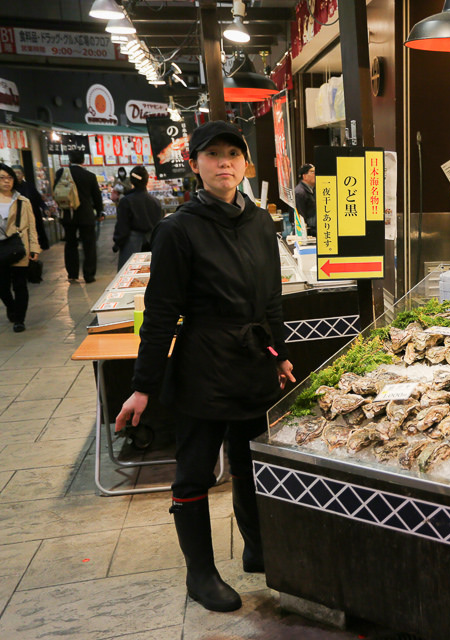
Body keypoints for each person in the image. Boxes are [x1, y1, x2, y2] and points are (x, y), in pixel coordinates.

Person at [115, 121, 296, 613]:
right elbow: (160, 314)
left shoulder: (261, 222)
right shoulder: (177, 229)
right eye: (212, 154)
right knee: (194, 474)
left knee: (251, 463)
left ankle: (257, 548)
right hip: (201, 366)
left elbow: (272, 302)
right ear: (195, 164)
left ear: (244, 164)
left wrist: (278, 355)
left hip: (253, 364)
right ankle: (201, 573)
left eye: (232, 154)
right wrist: (142, 386)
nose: (224, 163)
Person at [0, 163, 42, 332]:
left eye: (9, 177)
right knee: (2, 287)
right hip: (0, 250)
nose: (6, 181)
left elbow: (32, 227)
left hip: (19, 248)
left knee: (20, 285)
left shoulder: (23, 201)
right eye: (2, 178)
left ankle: (19, 319)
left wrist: (35, 248)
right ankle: (11, 306)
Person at [55, 149, 104, 283]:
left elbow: (56, 193)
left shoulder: (61, 173)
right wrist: (100, 212)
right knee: (89, 245)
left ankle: (72, 274)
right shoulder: (89, 176)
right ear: (83, 160)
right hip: (86, 215)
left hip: (68, 214)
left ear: (69, 160)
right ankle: (89, 275)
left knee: (70, 244)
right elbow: (96, 197)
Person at [113, 166, 163, 269]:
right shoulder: (155, 202)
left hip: (131, 247)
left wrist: (117, 243)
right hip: (152, 246)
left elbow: (122, 227)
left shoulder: (126, 201)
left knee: (129, 277)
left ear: (131, 180)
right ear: (147, 180)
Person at [11, 165, 50, 251]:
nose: (17, 175)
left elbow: (38, 198)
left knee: (35, 234)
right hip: (18, 217)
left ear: (23, 174)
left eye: (19, 173)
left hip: (33, 214)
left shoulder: (29, 186)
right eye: (15, 173)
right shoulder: (10, 188)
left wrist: (45, 208)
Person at [294, 163, 316, 236]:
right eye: (313, 172)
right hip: (307, 233)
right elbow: (300, 217)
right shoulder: (300, 193)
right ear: (304, 176)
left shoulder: (313, 189)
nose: (315, 175)